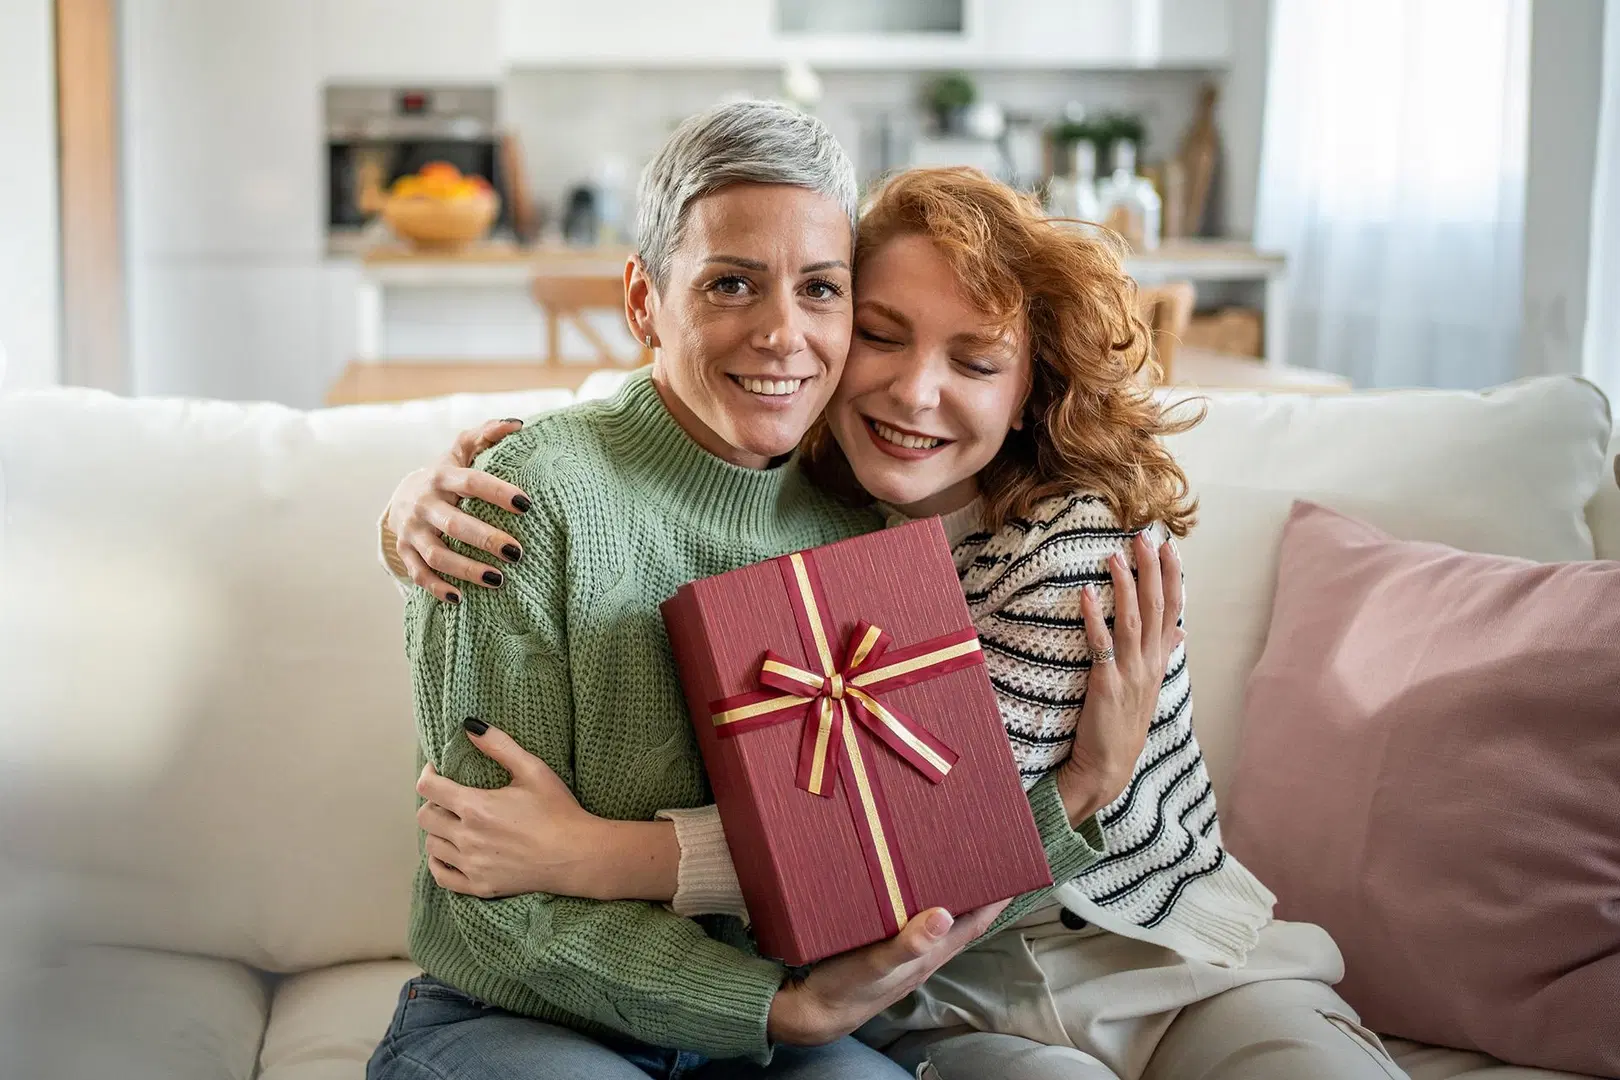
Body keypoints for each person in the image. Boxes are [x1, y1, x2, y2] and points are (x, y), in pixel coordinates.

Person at [383, 167, 1410, 1080]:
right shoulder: (815, 507)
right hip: (942, 1004)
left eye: (974, 361)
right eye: (880, 334)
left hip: (1149, 960)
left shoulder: (1069, 543)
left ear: (1028, 392)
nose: (916, 391)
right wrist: (409, 508)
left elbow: (917, 841)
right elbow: (654, 434)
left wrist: (591, 856)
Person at [366, 103, 1049, 1080]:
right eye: (732, 283)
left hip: (759, 1035)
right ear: (644, 302)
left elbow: (920, 844)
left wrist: (1087, 789)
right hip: (518, 1019)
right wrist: (774, 1005)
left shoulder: (858, 515)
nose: (782, 333)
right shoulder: (519, 505)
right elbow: (492, 900)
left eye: (820, 289)